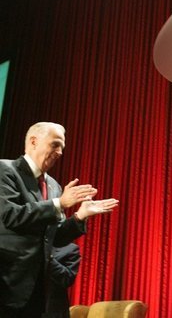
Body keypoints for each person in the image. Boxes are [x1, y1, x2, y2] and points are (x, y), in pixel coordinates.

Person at [0, 122, 119, 317]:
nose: (60, 152)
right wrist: (59, 203)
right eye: (55, 144)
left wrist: (80, 216)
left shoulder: (53, 185)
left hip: (39, 288)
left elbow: (54, 238)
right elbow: (11, 216)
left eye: (62, 147)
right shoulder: (5, 170)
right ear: (33, 141)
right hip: (7, 282)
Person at [43, 243, 81, 318]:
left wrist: (48, 258)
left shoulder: (70, 249)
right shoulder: (26, 245)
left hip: (50, 309)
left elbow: (67, 279)